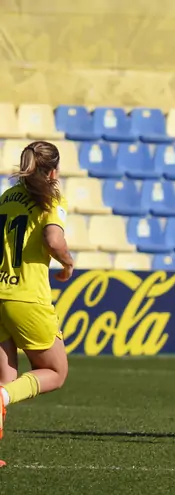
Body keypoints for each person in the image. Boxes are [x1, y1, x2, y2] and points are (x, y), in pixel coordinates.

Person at [0, 141, 75, 438]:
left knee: (6, 378)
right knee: (55, 372)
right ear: (53, 171)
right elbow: (54, 239)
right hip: (26, 296)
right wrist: (68, 264)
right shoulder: (51, 199)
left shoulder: (6, 198)